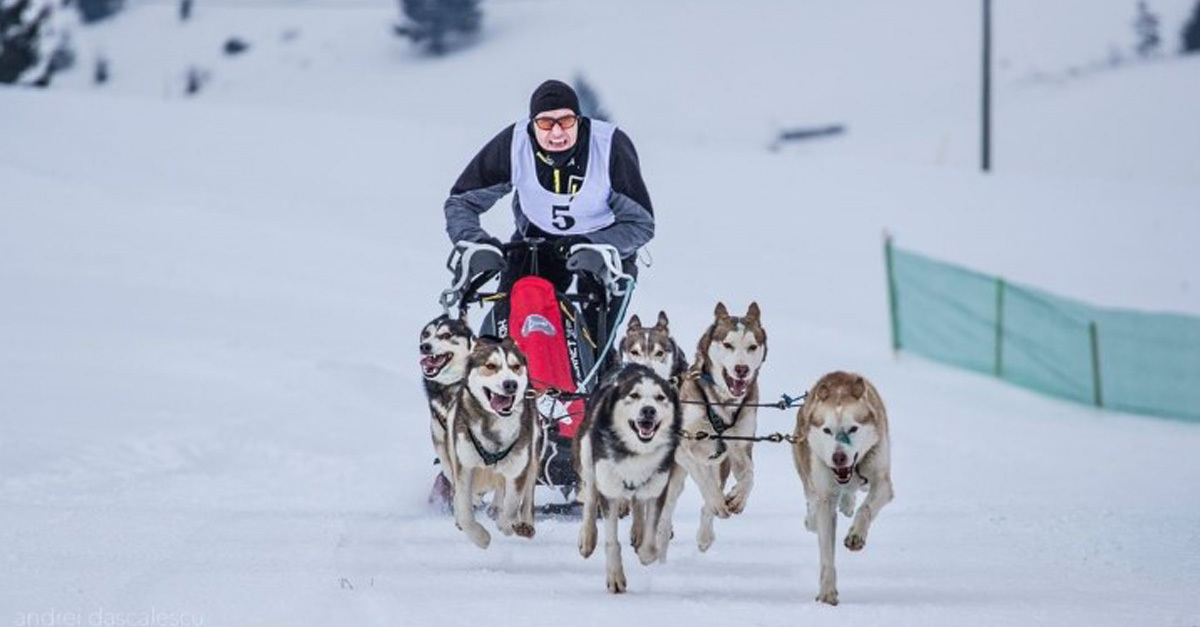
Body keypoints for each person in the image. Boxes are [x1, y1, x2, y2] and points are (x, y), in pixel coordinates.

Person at [443, 79, 654, 343]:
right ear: (532, 125)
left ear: (579, 120)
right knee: (507, 326)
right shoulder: (514, 144)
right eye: (545, 123)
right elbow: (461, 202)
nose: (556, 133)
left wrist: (593, 244)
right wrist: (477, 243)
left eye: (566, 121)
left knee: (594, 340)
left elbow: (640, 223)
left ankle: (597, 374)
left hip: (605, 246)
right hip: (538, 241)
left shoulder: (610, 146)